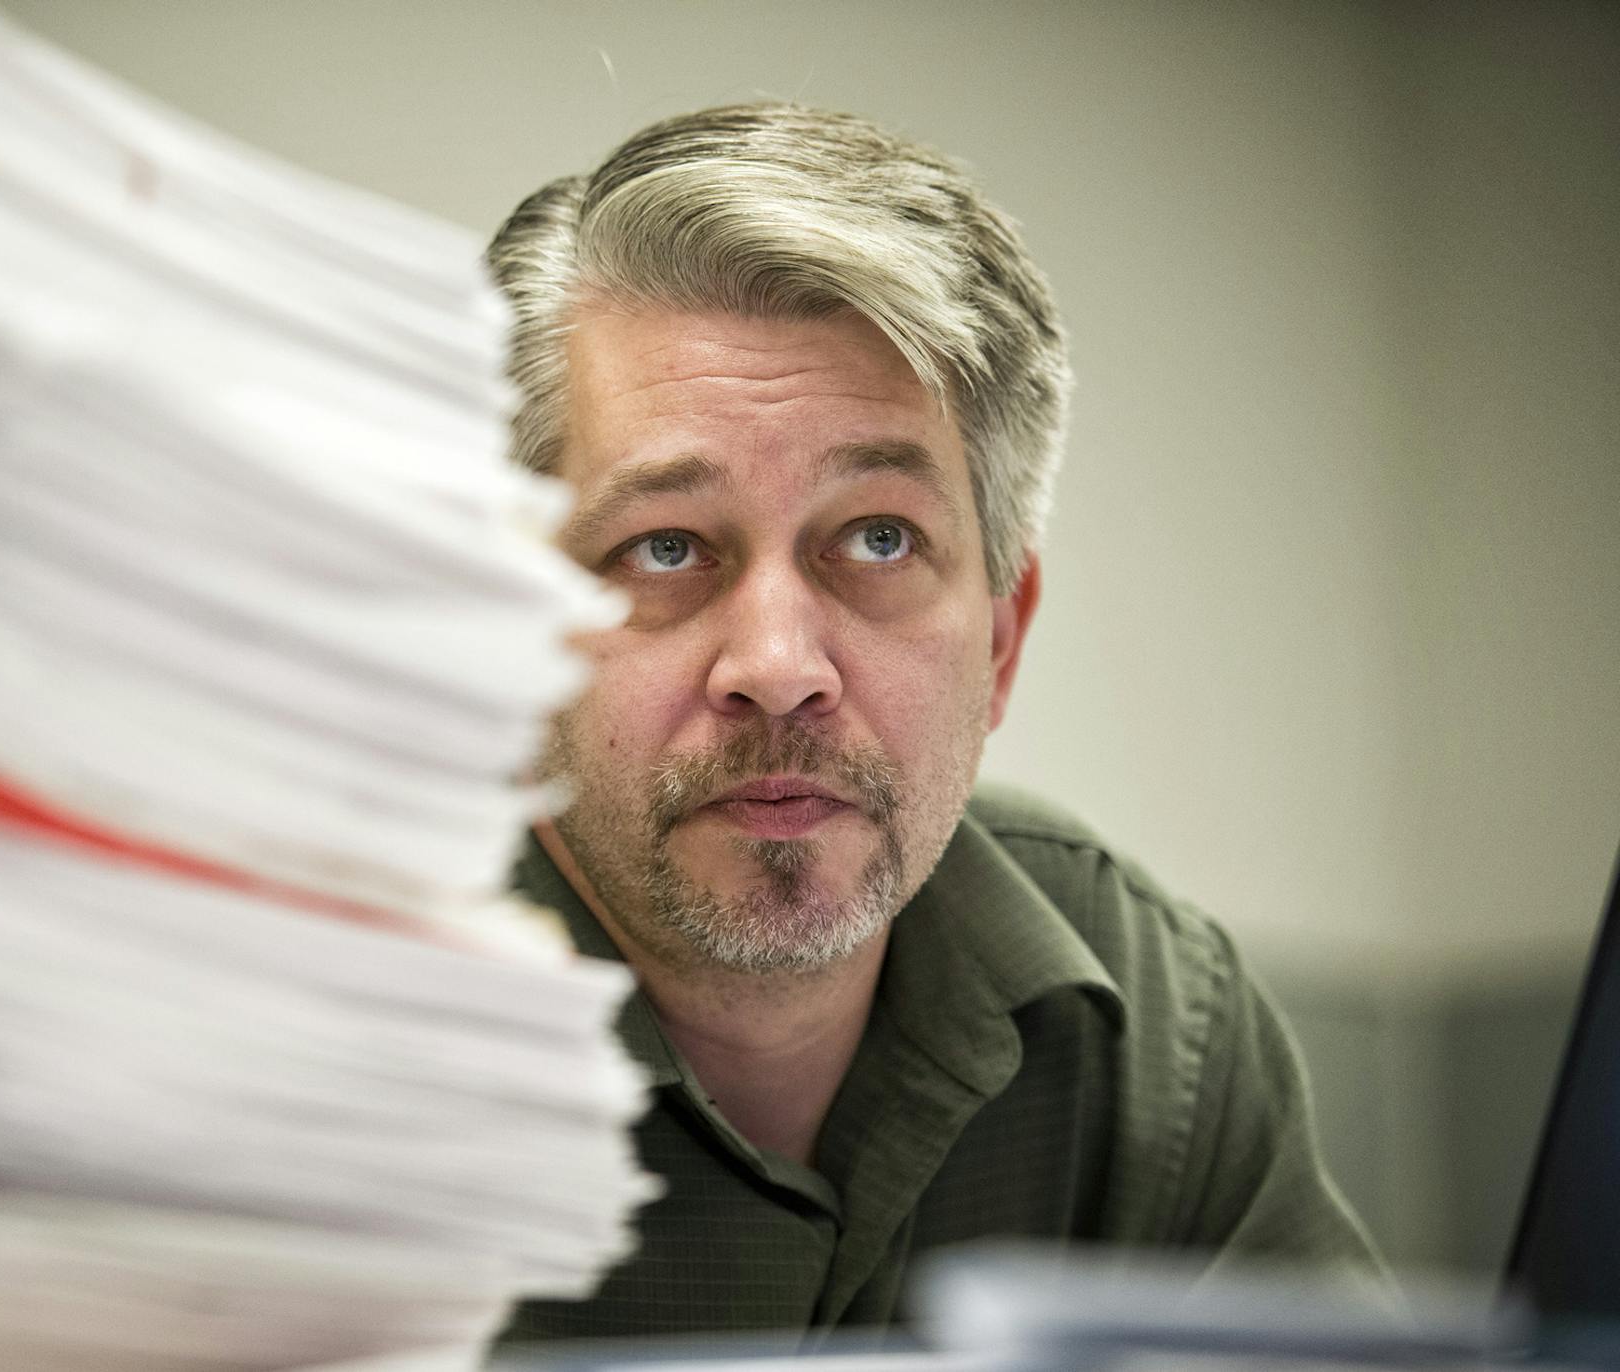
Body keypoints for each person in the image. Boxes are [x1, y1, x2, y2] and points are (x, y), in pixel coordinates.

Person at [485, 103, 1381, 1342]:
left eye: (879, 537)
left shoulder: (1153, 1021)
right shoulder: (308, 1017)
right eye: (668, 546)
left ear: (1003, 641)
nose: (779, 666)